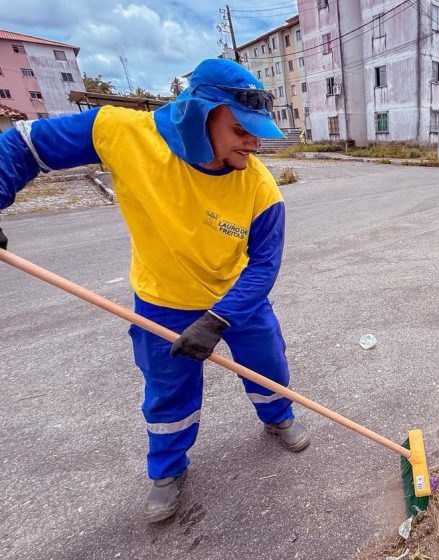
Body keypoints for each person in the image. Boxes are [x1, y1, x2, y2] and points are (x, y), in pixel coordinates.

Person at [0, 59, 309, 523]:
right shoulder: (123, 133)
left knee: (268, 364)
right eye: (242, 128)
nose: (254, 141)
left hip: (236, 301)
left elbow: (264, 265)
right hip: (162, 301)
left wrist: (220, 318)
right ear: (202, 113)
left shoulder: (260, 188)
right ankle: (167, 470)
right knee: (167, 391)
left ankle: (278, 416)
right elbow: (19, 147)